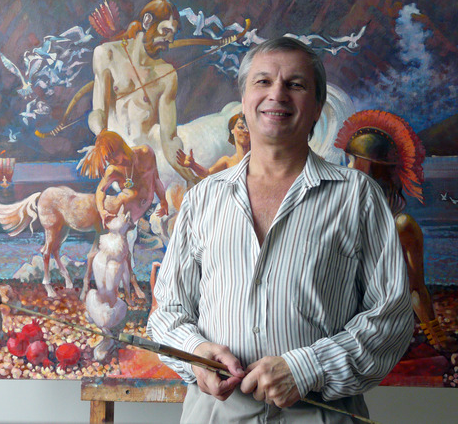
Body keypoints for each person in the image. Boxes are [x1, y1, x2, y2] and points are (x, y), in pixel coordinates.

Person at [147, 37, 413, 423]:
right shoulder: (203, 197)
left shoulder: (358, 196)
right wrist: (195, 352)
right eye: (263, 81)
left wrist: (308, 368)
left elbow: (392, 318)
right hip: (215, 415)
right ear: (244, 100)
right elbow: (168, 312)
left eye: (295, 84)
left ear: (318, 106)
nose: (277, 94)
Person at [334, 109, 456, 351]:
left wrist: (436, 337)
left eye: (352, 160)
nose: (347, 167)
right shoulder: (336, 211)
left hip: (374, 335)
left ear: (367, 167)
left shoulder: (401, 226)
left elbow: (415, 288)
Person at [87, 0, 196, 184]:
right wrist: (102, 136)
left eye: (173, 34)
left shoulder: (167, 74)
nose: (169, 40)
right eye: (166, 31)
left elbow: (169, 139)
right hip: (114, 162)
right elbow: (98, 111)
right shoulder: (106, 54)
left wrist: (190, 176)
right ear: (147, 21)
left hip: (146, 165)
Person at [80, 130, 169, 300]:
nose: (111, 161)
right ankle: (105, 287)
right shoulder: (113, 169)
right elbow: (100, 190)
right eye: (108, 159)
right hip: (124, 213)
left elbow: (156, 179)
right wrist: (102, 211)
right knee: (113, 250)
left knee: (131, 249)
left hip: (141, 210)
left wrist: (163, 200)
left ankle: (130, 287)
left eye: (112, 156)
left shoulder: (146, 153)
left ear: (120, 147)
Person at [176, 112, 250, 179]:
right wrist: (193, 165)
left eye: (249, 128)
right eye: (241, 127)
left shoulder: (255, 159)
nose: (245, 131)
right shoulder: (227, 161)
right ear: (232, 130)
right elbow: (207, 174)